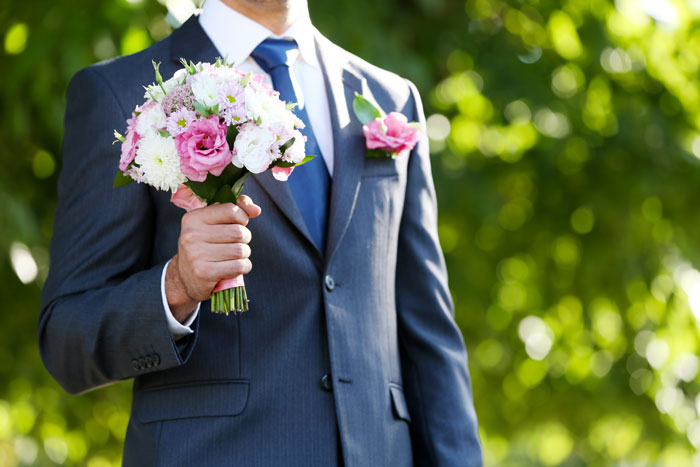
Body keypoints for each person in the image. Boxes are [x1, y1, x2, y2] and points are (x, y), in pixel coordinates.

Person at [39, 0, 483, 465]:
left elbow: (428, 332)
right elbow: (67, 342)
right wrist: (177, 287)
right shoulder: (121, 92)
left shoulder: (391, 98)